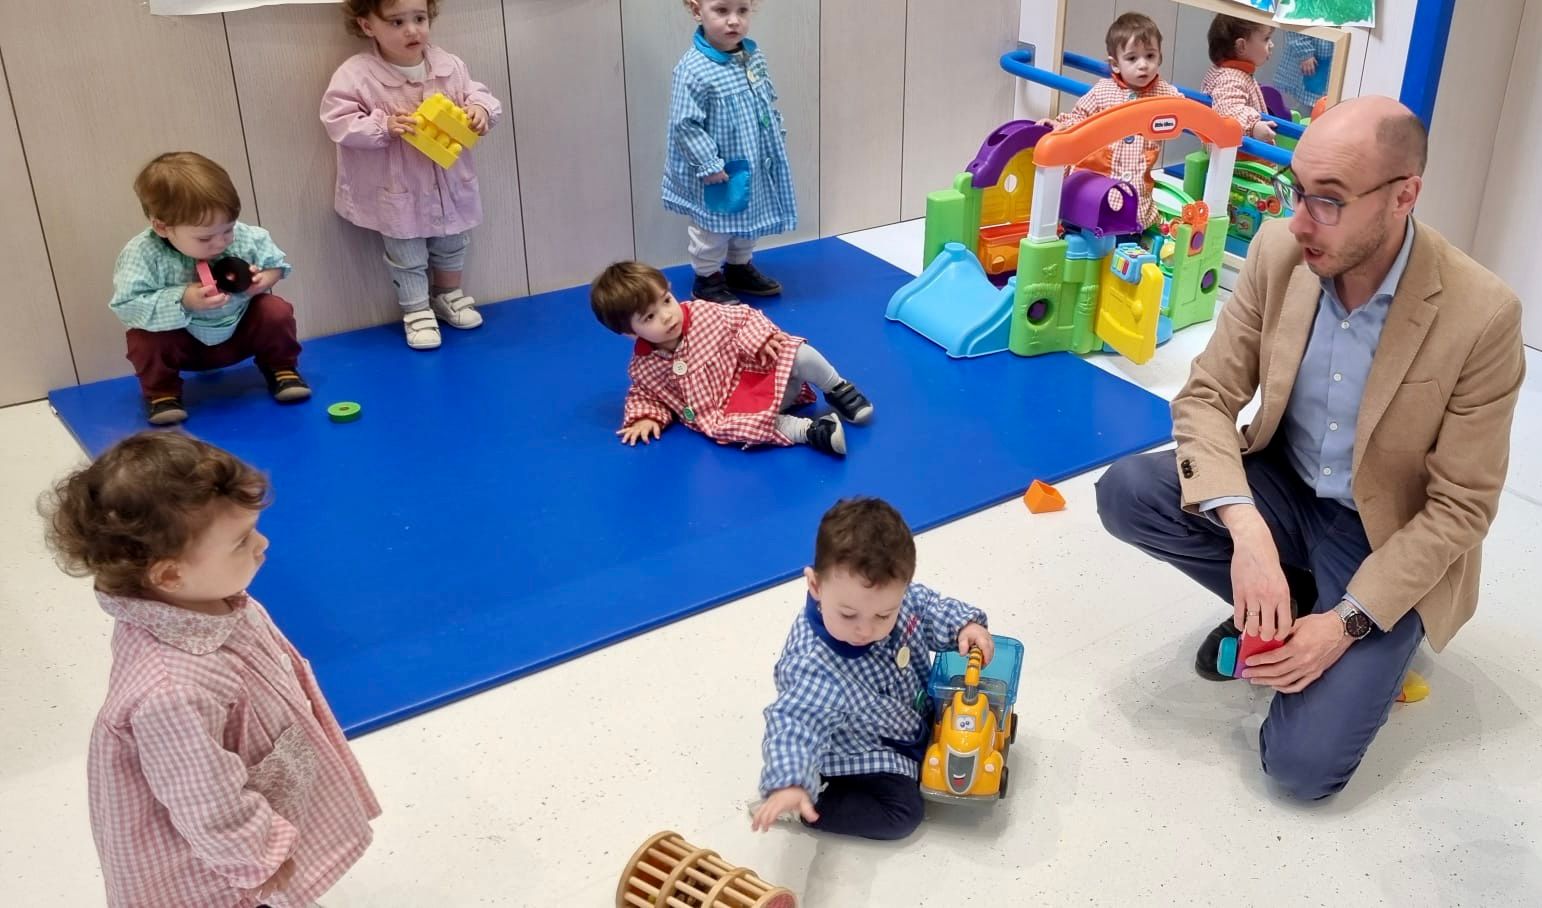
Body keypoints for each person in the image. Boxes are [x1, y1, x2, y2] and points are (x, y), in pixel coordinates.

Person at [1095, 96, 1527, 800]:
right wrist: (1248, 535)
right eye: (1298, 191)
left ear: (1403, 197)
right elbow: (1205, 398)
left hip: (1384, 537)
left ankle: (1354, 630)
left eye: (1327, 201)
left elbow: (1461, 509)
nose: (1299, 220)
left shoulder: (1482, 315)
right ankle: (1287, 599)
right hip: (1283, 487)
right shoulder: (1278, 250)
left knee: (1300, 771)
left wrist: (1347, 624)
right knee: (1128, 492)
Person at [42, 433, 380, 905]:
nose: (262, 543)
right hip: (212, 862)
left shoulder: (200, 599)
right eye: (241, 540)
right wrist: (258, 859)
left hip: (251, 781)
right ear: (169, 574)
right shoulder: (171, 692)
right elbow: (209, 806)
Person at [753, 497, 993, 839]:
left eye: (884, 615)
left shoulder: (896, 597)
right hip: (862, 749)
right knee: (904, 815)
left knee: (960, 705)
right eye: (848, 615)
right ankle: (809, 807)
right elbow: (795, 723)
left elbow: (927, 608)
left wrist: (964, 626)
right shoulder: (812, 664)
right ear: (815, 586)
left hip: (911, 710)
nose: (865, 629)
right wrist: (790, 783)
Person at [322, 0, 501, 350]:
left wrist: (480, 109)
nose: (412, 30)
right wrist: (382, 125)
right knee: (406, 251)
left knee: (452, 240)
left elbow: (476, 92)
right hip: (397, 184)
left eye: (419, 18)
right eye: (396, 22)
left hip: (446, 180)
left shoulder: (448, 65)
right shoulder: (357, 74)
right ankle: (417, 309)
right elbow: (338, 121)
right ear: (368, 26)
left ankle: (448, 295)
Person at [590, 260, 873, 457]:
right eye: (649, 317)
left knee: (794, 349)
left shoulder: (703, 313)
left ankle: (837, 387)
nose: (666, 315)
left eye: (666, 300)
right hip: (734, 410)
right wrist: (646, 418)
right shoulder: (644, 366)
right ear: (629, 332)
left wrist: (759, 340)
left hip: (758, 375)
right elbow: (646, 394)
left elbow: (744, 317)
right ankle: (811, 431)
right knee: (731, 430)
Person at [110, 152, 309, 426]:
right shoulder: (142, 255)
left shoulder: (244, 237)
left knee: (275, 310)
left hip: (238, 333)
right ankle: (161, 393)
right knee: (143, 339)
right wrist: (184, 299)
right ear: (162, 227)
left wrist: (265, 279)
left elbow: (275, 263)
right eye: (205, 237)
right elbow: (127, 306)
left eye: (227, 230)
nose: (220, 243)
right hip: (184, 344)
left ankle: (282, 369)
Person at [663, 1, 795, 304]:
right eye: (722, 11)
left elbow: (765, 97)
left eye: (742, 11)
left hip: (752, 156)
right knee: (713, 225)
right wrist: (707, 163)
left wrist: (775, 132)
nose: (734, 21)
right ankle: (707, 278)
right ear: (698, 11)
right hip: (716, 168)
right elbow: (685, 124)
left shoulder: (751, 55)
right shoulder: (693, 69)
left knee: (749, 217)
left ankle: (739, 266)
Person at [1043, 12, 1184, 231]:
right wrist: (1060, 126)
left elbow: (1185, 112)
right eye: (1132, 58)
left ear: (1160, 57)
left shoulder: (1165, 93)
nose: (1143, 65)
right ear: (1115, 64)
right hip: (1097, 181)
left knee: (1128, 234)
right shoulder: (1103, 91)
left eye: (1150, 56)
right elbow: (1079, 117)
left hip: (1136, 187)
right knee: (1084, 228)